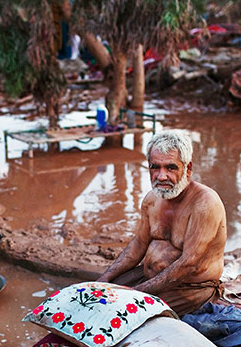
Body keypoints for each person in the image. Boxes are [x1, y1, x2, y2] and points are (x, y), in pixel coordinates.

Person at [97, 130, 227, 316]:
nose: (161, 176)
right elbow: (139, 244)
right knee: (97, 296)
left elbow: (189, 263)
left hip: (190, 289)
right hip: (149, 278)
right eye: (155, 167)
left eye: (171, 168)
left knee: (124, 315)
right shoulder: (152, 199)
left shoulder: (205, 203)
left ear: (187, 169)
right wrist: (104, 279)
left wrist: (138, 294)